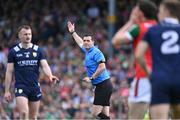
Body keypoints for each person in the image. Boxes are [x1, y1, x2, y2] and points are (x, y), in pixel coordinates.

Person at [112, 0, 157, 119]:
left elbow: (116, 40)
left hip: (144, 77)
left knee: (134, 116)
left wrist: (131, 22)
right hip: (162, 77)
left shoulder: (138, 28)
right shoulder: (160, 27)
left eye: (135, 10)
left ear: (140, 13)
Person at [136, 0, 180, 119]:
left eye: (159, 11)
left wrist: (149, 73)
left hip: (160, 79)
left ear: (167, 11)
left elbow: (139, 55)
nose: (158, 15)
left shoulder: (153, 30)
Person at [4, 25, 59, 119]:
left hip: (34, 87)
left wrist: (50, 75)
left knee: (33, 117)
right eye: (25, 34)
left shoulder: (38, 50)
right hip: (21, 86)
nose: (28, 36)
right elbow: (9, 72)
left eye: (29, 34)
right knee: (24, 113)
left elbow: (45, 65)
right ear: (19, 36)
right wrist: (7, 91)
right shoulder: (13, 52)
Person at [67, 21, 113, 119]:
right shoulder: (87, 50)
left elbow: (102, 67)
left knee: (95, 113)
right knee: (105, 115)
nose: (86, 42)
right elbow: (79, 42)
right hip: (102, 85)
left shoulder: (96, 52)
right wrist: (73, 32)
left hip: (103, 85)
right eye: (85, 41)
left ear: (93, 42)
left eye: (88, 41)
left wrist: (91, 78)